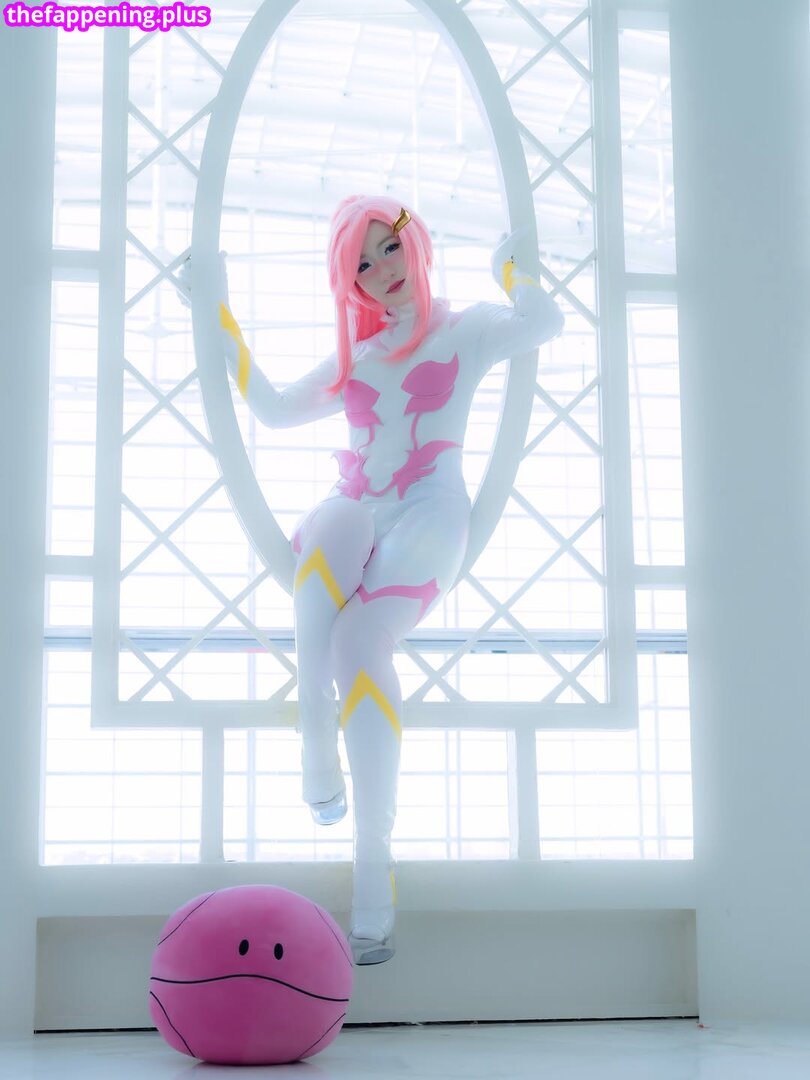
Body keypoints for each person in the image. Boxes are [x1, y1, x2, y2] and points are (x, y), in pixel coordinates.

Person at [178, 194, 564, 965]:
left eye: (388, 247)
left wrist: (514, 272)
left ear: (415, 242)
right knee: (335, 525)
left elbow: (543, 323)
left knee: (359, 638)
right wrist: (215, 314)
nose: (381, 270)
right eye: (361, 263)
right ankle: (315, 728)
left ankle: (371, 861)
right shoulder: (359, 352)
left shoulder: (467, 328)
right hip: (359, 502)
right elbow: (274, 408)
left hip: (429, 510)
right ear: (347, 281)